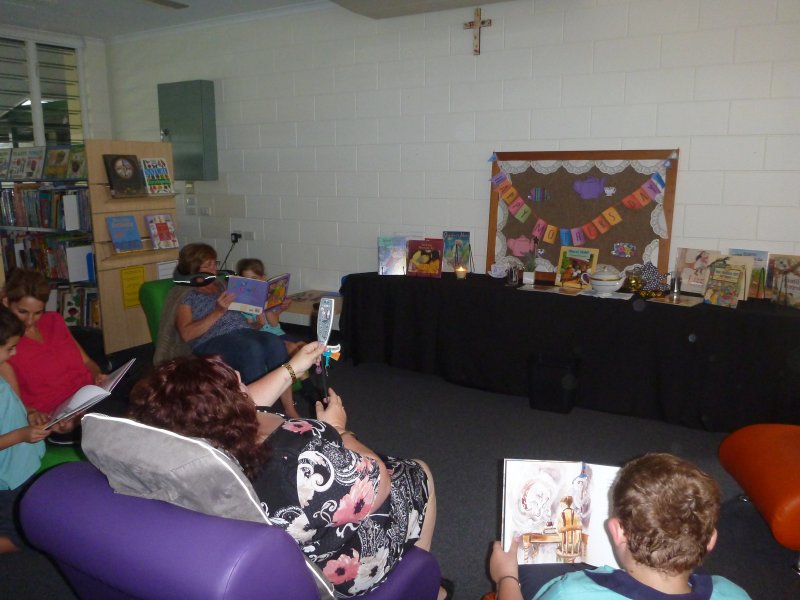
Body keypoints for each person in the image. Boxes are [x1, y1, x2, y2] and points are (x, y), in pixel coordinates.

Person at [127, 346, 445, 599]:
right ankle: (421, 583)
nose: (245, 385)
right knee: (416, 471)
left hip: (285, 538)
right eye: (239, 385)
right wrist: (338, 429)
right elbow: (379, 483)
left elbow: (234, 405)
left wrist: (293, 367)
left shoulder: (194, 447)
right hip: (334, 568)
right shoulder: (297, 464)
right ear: (229, 408)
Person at [488, 453, 751, 600]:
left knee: (530, 569)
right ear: (711, 539)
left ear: (617, 530)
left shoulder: (570, 593)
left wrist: (505, 577)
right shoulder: (735, 594)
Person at [174, 243, 299, 418]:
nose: (214, 269)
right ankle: (257, 414)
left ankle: (289, 408)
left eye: (214, 263)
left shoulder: (222, 285)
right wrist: (218, 311)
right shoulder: (187, 294)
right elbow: (186, 334)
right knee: (251, 349)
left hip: (244, 331)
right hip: (212, 339)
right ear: (193, 268)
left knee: (275, 343)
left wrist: (268, 312)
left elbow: (243, 315)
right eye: (208, 265)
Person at [0, 269, 110, 434]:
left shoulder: (54, 320)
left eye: (38, 313)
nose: (30, 321)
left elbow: (87, 362)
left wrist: (98, 376)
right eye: (22, 312)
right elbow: (14, 402)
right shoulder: (7, 345)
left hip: (90, 398)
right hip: (58, 416)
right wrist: (33, 414)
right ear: (6, 302)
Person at [0, 304, 49, 553]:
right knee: (21, 537)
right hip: (10, 474)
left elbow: (11, 407)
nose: (14, 353)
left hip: (21, 463)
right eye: (9, 348)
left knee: (28, 520)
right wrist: (21, 435)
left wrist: (29, 415)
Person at [235, 257, 306, 357]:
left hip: (279, 333)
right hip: (263, 337)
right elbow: (250, 327)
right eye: (247, 280)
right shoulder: (244, 303)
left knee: (304, 346)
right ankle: (295, 365)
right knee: (293, 348)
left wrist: (266, 303)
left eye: (254, 279)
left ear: (263, 278)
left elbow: (274, 323)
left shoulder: (270, 297)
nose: (252, 284)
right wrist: (258, 323)